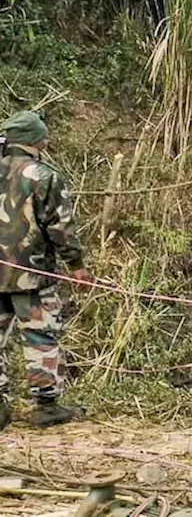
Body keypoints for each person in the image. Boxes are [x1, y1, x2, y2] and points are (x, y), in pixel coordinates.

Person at [0, 111, 89, 428]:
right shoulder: (42, 175)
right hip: (32, 275)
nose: (47, 140)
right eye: (43, 136)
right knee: (40, 337)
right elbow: (60, 227)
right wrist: (76, 264)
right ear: (33, 141)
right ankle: (45, 406)